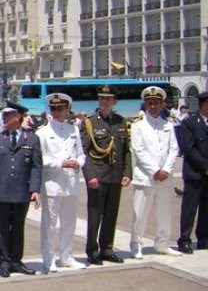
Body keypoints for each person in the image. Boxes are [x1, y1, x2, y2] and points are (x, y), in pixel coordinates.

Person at [0, 101, 42, 277]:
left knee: (18, 227)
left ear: (17, 117)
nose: (3, 118)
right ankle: (4, 262)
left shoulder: (32, 139)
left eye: (7, 115)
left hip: (21, 191)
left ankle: (16, 261)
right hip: (2, 191)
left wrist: (34, 189)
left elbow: (36, 167)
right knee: (1, 228)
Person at [80, 85, 132, 265]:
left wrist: (127, 172)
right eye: (102, 98)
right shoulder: (89, 122)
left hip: (115, 175)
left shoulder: (121, 122)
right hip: (98, 175)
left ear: (114, 101)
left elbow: (126, 150)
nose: (105, 101)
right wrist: (90, 175)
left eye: (108, 98)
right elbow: (84, 152)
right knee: (95, 214)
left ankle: (107, 248)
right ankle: (92, 250)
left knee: (111, 214)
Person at [129, 86, 181, 258]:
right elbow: (139, 150)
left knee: (164, 213)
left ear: (162, 105)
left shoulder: (168, 124)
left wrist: (166, 169)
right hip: (146, 177)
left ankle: (162, 244)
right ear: (145, 104)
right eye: (150, 103)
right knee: (140, 214)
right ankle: (136, 245)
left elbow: (174, 149)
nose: (153, 106)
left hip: (165, 177)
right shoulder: (138, 126)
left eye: (156, 103)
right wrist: (155, 170)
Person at [37, 93, 86, 273]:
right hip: (52, 184)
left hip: (70, 182)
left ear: (68, 110)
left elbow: (81, 154)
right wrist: (60, 163)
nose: (57, 112)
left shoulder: (73, 130)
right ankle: (48, 258)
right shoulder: (43, 132)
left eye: (60, 109)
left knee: (69, 223)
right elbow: (39, 159)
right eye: (53, 109)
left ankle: (66, 256)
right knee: (49, 224)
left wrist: (78, 163)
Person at [177, 91, 208, 254]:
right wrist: (205, 166)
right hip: (194, 173)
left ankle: (203, 239)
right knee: (189, 209)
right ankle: (184, 239)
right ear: (204, 104)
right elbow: (189, 149)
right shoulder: (189, 123)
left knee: (206, 208)